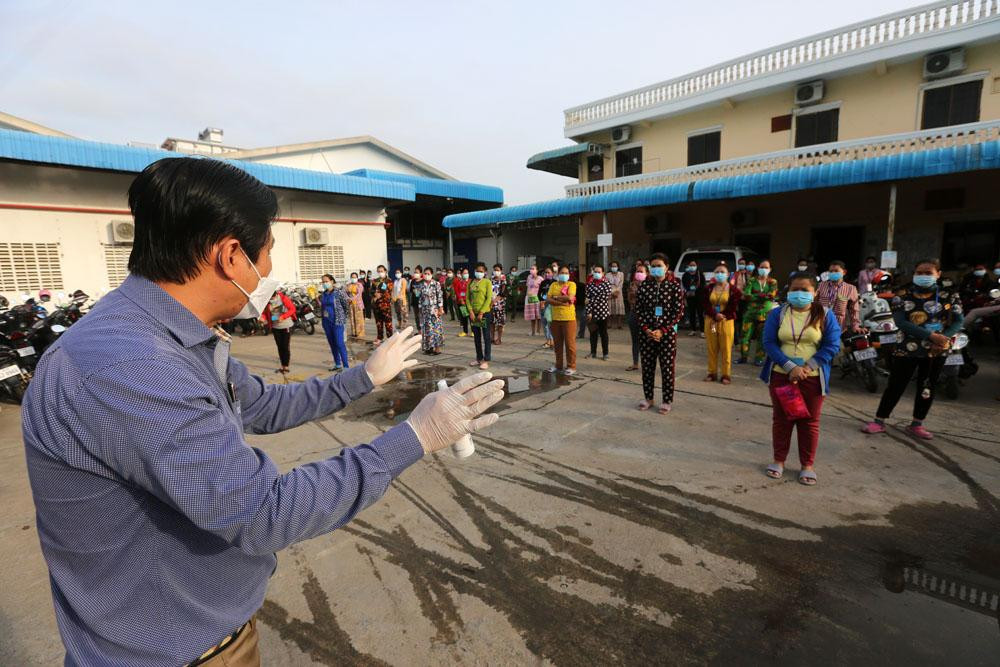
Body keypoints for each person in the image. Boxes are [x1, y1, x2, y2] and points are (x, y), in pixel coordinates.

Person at [20, 156, 504, 667]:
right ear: (231, 255)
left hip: (200, 635)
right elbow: (262, 513)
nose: (270, 271)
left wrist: (363, 377)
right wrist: (417, 434)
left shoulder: (176, 335)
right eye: (268, 251)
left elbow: (264, 404)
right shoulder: (132, 365)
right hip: (169, 653)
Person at [861, 259, 964, 440]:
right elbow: (900, 322)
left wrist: (943, 337)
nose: (923, 276)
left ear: (938, 274)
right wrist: (931, 336)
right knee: (896, 385)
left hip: (936, 349)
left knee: (927, 386)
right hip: (906, 347)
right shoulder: (903, 294)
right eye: (920, 273)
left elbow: (958, 320)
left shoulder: (950, 295)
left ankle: (917, 423)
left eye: (928, 273)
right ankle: (879, 420)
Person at [760, 272, 842, 485]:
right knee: (782, 420)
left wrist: (806, 368)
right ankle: (779, 461)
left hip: (813, 378)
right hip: (782, 376)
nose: (799, 293)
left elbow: (832, 345)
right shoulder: (777, 314)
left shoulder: (825, 314)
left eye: (805, 290)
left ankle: (807, 465)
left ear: (814, 293)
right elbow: (769, 343)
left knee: (809, 422)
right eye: (795, 289)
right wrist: (789, 367)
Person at [636, 253, 685, 413]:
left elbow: (678, 312)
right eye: (653, 266)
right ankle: (648, 398)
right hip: (647, 334)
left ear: (667, 267)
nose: (656, 268)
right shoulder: (644, 286)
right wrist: (646, 329)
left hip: (667, 334)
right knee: (648, 367)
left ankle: (666, 400)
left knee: (667, 368)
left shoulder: (674, 286)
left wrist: (662, 331)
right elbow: (638, 310)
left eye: (659, 266)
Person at [701, 264, 741, 384]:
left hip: (726, 322)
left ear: (728, 274)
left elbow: (733, 306)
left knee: (726, 348)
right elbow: (705, 304)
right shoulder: (708, 288)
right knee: (712, 347)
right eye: (717, 272)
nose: (720, 274)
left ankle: (725, 374)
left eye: (722, 272)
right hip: (712, 323)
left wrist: (722, 315)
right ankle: (712, 373)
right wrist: (714, 315)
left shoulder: (734, 290)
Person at [739, 260, 779, 365]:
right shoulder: (752, 280)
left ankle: (759, 359)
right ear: (758, 268)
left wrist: (755, 295)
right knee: (745, 335)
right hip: (750, 313)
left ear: (770, 269)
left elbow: (772, 295)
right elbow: (746, 295)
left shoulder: (773, 282)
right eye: (762, 267)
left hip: (765, 314)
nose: (763, 269)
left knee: (762, 337)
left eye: (766, 267)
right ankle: (743, 357)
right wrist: (763, 296)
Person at [547, 265, 578, 374]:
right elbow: (548, 299)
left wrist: (556, 297)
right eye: (562, 273)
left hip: (569, 318)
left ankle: (571, 366)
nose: (564, 275)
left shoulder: (571, 284)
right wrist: (561, 301)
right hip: (555, 318)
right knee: (557, 344)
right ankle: (558, 365)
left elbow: (570, 298)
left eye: (566, 273)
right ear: (558, 274)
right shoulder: (553, 285)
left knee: (570, 344)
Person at [817, 260, 862, 333]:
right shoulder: (821, 286)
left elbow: (854, 310)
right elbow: (813, 303)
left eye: (836, 271)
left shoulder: (851, 288)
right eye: (831, 271)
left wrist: (855, 326)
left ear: (844, 272)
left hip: (839, 328)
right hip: (820, 326)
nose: (833, 273)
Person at [320, 274, 350, 371]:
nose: (325, 283)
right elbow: (323, 307)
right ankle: (337, 364)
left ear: (332, 281)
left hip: (337, 322)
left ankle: (346, 366)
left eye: (326, 281)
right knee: (332, 343)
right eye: (323, 282)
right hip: (326, 322)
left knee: (339, 343)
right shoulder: (323, 294)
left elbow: (346, 305)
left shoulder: (339, 292)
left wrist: (343, 317)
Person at [263, 290, 296, 374]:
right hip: (275, 326)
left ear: (276, 294)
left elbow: (292, 309)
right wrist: (263, 318)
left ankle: (286, 366)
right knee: (279, 346)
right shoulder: (266, 301)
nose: (271, 299)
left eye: (273, 297)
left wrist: (283, 317)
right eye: (270, 298)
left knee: (285, 346)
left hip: (286, 325)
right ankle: (282, 364)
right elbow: (264, 313)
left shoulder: (283, 298)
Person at [468, 262, 493, 369]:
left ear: (485, 272)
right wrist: (471, 312)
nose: (479, 273)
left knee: (486, 337)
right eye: (477, 271)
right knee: (476, 337)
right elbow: (467, 298)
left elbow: (488, 298)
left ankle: (486, 360)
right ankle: (479, 358)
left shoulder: (487, 282)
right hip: (473, 314)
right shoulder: (471, 283)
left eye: (481, 271)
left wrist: (482, 312)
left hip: (485, 313)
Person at [586, 264, 612, 360]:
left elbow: (605, 296)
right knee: (593, 333)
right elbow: (587, 298)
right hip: (592, 313)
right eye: (595, 272)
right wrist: (589, 312)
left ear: (603, 273)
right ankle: (593, 352)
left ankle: (605, 353)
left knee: (603, 333)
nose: (596, 273)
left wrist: (591, 300)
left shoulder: (606, 283)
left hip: (603, 312)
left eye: (599, 272)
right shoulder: (590, 283)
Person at [626, 263, 647, 372]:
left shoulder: (650, 285)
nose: (638, 273)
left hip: (647, 317)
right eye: (637, 271)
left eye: (641, 271)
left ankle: (647, 364)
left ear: (647, 273)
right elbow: (630, 299)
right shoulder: (632, 284)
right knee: (635, 341)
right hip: (634, 314)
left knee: (647, 341)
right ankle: (635, 363)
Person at [419, 267, 444, 355]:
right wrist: (420, 308)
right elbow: (420, 297)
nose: (426, 275)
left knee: (436, 328)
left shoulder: (436, 284)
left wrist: (441, 308)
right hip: (425, 309)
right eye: (425, 273)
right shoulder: (422, 285)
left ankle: (437, 349)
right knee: (427, 329)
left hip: (435, 309)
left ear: (432, 274)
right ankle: (429, 347)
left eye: (428, 273)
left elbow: (440, 296)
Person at [681, 258, 704, 337]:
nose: (692, 266)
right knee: (692, 313)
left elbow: (703, 285)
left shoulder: (700, 274)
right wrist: (688, 290)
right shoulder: (685, 275)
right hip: (690, 296)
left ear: (697, 266)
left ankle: (702, 331)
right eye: (691, 265)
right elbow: (683, 284)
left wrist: (696, 289)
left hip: (699, 296)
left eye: (694, 265)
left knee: (700, 313)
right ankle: (693, 330)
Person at [371, 265, 394, 344]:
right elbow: (371, 290)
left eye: (382, 271)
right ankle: (379, 338)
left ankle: (390, 338)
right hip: (377, 305)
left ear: (385, 271)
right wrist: (374, 294)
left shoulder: (389, 281)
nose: (380, 273)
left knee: (388, 323)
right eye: (379, 271)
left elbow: (387, 291)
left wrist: (379, 294)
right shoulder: (375, 281)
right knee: (379, 323)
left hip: (386, 305)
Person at [489, 264, 508, 345]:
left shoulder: (503, 280)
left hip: (500, 305)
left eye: (497, 270)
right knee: (492, 322)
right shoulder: (490, 280)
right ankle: (492, 338)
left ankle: (499, 339)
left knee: (500, 323)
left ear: (501, 270)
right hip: (491, 304)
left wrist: (495, 301)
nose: (496, 272)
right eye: (495, 270)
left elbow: (502, 293)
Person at [538, 267, 556, 349]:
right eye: (545, 272)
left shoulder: (555, 283)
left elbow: (555, 295)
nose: (547, 274)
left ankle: (552, 341)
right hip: (542, 305)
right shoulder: (543, 283)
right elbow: (539, 293)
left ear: (553, 273)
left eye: (548, 272)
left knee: (550, 324)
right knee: (544, 324)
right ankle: (548, 340)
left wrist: (548, 302)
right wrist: (541, 301)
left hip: (551, 305)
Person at [523, 264, 542, 335]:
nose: (532, 270)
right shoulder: (529, 277)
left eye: (533, 268)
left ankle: (538, 331)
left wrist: (536, 278)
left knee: (538, 315)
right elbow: (527, 287)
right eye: (531, 268)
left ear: (537, 270)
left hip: (537, 298)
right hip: (529, 298)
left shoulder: (540, 278)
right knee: (532, 315)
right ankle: (533, 331)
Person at [607, 261, 626, 329]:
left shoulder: (621, 274)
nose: (614, 267)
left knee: (619, 309)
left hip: (619, 293)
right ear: (610, 267)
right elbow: (607, 284)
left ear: (618, 267)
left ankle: (619, 324)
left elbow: (621, 283)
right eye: (612, 266)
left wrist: (617, 291)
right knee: (610, 309)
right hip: (610, 293)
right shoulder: (607, 275)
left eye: (615, 266)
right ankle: (609, 324)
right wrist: (612, 292)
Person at [346, 272, 365, 339]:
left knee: (359, 319)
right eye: (352, 277)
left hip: (358, 304)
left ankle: (360, 333)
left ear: (357, 278)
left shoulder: (360, 285)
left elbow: (359, 294)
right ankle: (354, 332)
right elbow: (346, 293)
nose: (353, 278)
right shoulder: (348, 285)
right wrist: (348, 298)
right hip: (351, 304)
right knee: (352, 318)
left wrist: (351, 299)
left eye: (355, 277)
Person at [453, 268, 470, 337]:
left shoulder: (471, 281)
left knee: (471, 318)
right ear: (462, 274)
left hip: (469, 303)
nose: (466, 274)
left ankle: (474, 331)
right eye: (464, 273)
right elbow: (457, 292)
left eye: (467, 273)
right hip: (462, 302)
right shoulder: (458, 282)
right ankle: (465, 331)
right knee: (464, 317)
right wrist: (461, 300)